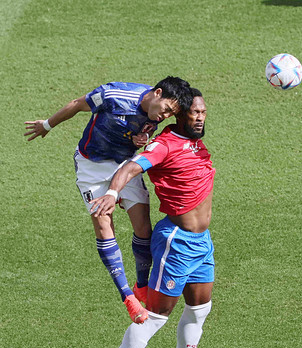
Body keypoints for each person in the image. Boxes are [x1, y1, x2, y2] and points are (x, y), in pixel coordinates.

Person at [89, 89, 215, 348]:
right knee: (156, 316)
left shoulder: (195, 143)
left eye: (203, 111)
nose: (200, 116)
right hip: (176, 241)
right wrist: (114, 192)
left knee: (200, 308)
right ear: (180, 115)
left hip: (202, 242)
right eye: (194, 112)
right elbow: (131, 168)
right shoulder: (164, 145)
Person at [24, 77, 193, 324]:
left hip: (124, 164)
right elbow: (77, 104)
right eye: (167, 109)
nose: (165, 116)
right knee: (104, 225)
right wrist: (47, 125)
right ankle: (128, 298)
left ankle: (142, 286)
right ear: (157, 93)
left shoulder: (155, 115)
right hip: (91, 166)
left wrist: (140, 141)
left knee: (143, 228)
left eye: (171, 114)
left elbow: (139, 134)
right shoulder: (114, 95)